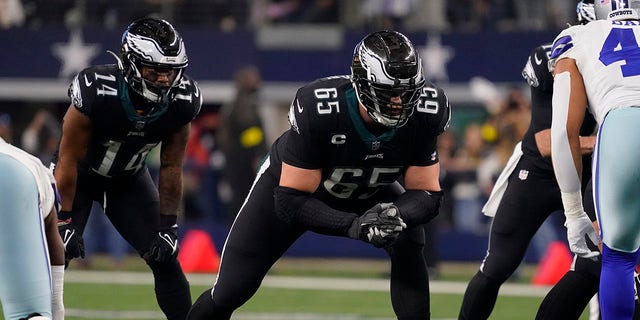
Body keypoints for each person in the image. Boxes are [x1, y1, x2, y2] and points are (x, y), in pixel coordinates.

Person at [187, 30, 451, 320]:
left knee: (409, 237)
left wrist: (395, 214)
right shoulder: (321, 107)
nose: (399, 103)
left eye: (407, 93)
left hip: (370, 189)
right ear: (363, 83)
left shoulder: (427, 111)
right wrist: (354, 226)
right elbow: (289, 201)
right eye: (390, 93)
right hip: (297, 189)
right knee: (230, 290)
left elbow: (427, 193)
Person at [52, 17, 201, 320]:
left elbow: (172, 165)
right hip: (77, 178)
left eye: (170, 71)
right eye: (155, 70)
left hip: (127, 181)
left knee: (166, 259)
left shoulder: (182, 100)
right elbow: (67, 158)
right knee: (54, 259)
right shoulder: (96, 90)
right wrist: (63, 219)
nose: (163, 79)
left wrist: (169, 226)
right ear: (131, 63)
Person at [458, 2, 600, 319]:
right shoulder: (551, 59)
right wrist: (609, 141)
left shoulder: (625, 61)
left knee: (596, 266)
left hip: (589, 175)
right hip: (538, 174)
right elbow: (549, 142)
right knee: (497, 266)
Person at [549, 1, 640, 319]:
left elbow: (562, 133)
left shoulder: (576, 38)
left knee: (619, 257)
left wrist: (574, 214)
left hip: (623, 127)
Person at [0, 137, 65, 320]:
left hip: (12, 176)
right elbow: (55, 248)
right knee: (29, 313)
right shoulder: (33, 169)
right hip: (13, 175)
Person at [216, 65, 269, 222]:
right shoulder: (242, 106)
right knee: (244, 201)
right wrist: (257, 155)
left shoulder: (235, 105)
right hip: (243, 165)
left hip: (236, 163)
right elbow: (251, 135)